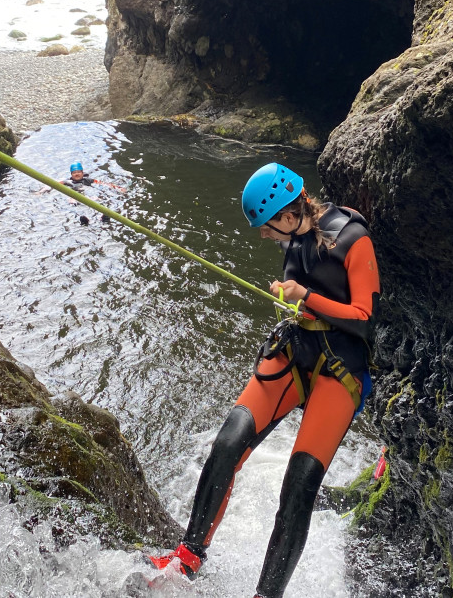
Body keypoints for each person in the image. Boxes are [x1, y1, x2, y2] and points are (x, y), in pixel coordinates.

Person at [151, 162, 381, 598]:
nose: (264, 234)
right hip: (298, 350)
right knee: (227, 443)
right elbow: (302, 285)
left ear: (289, 213)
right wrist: (291, 297)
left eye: (267, 225)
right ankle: (188, 556)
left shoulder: (355, 239)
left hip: (341, 368)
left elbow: (365, 320)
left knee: (298, 486)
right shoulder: (296, 237)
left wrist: (305, 297)